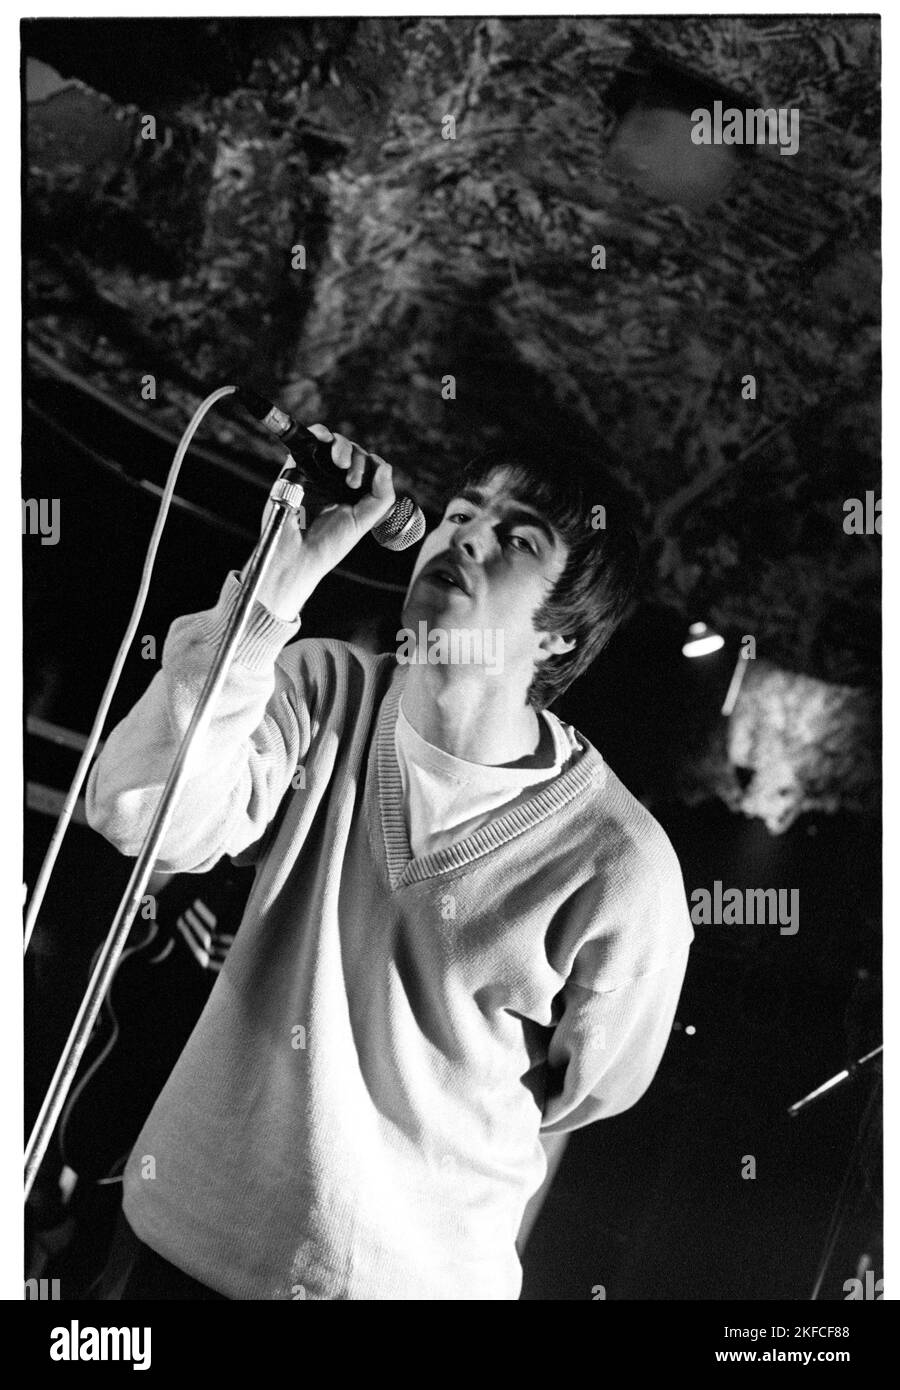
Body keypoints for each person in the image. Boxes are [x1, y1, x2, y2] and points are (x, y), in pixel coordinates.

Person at [86, 426, 693, 1300]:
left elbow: (592, 1088)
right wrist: (277, 584)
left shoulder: (619, 862)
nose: (466, 537)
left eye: (517, 538)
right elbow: (141, 811)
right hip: (179, 1246)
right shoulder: (326, 691)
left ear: (561, 637)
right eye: (457, 514)